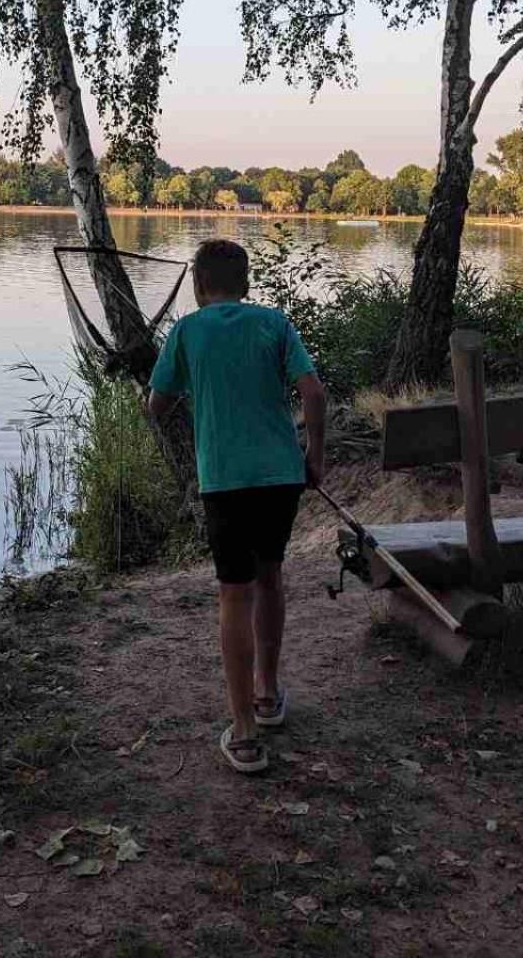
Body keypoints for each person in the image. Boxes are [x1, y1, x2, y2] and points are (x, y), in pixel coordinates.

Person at [148, 239, 326, 776]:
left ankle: (244, 731)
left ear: (199, 287)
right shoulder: (274, 323)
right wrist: (315, 457)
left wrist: (180, 400)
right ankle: (267, 695)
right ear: (245, 284)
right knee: (270, 577)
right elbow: (313, 394)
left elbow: (156, 405)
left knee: (233, 591)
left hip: (223, 481)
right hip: (280, 476)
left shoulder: (186, 331)